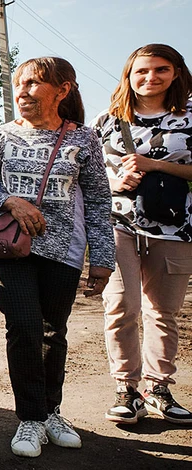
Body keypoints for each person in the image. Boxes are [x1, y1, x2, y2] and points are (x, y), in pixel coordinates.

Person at [0, 57, 116, 458]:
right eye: (19, 84)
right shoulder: (1, 136)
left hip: (64, 253)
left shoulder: (83, 140)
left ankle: (52, 411)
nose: (23, 91)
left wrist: (102, 259)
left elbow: (101, 203)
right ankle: (30, 419)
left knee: (54, 331)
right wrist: (12, 202)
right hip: (10, 250)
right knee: (24, 327)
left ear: (62, 89)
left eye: (34, 83)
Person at [92, 44, 192, 426]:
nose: (151, 78)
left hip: (176, 227)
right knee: (120, 307)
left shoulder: (190, 114)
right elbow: (88, 174)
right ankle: (127, 389)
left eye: (161, 70)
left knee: (163, 312)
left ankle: (159, 388)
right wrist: (117, 179)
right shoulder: (107, 121)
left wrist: (154, 165)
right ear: (129, 76)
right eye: (142, 71)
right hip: (119, 224)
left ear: (176, 72)